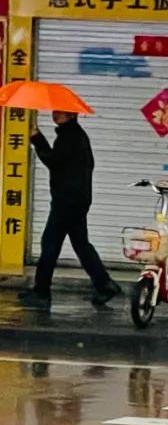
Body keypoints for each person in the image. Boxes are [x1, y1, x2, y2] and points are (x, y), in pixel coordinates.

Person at [18, 111, 121, 310]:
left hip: (67, 201)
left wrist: (37, 139)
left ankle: (41, 292)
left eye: (60, 113)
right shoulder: (76, 135)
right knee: (81, 244)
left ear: (71, 115)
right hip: (77, 200)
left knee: (50, 243)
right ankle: (104, 284)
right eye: (55, 111)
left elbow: (53, 161)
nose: (55, 115)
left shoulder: (70, 137)